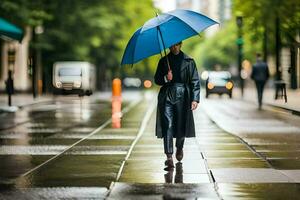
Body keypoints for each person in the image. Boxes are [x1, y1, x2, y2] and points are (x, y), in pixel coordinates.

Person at [154, 41, 200, 169]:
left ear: (181, 45)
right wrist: (165, 78)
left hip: (183, 95)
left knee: (181, 124)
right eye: (172, 45)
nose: (174, 47)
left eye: (176, 45)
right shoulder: (163, 61)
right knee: (167, 124)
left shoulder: (189, 61)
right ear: (169, 46)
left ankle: (179, 147)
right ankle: (169, 157)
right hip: (167, 95)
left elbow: (195, 81)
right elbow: (157, 79)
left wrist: (195, 99)